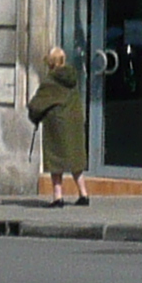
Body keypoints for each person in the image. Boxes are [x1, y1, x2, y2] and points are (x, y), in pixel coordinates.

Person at [27, 45, 86, 207]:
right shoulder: (72, 77)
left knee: (56, 161)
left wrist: (34, 115)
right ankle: (83, 194)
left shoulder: (51, 81)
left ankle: (57, 197)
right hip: (74, 123)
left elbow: (37, 105)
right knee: (76, 159)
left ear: (51, 63)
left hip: (57, 125)